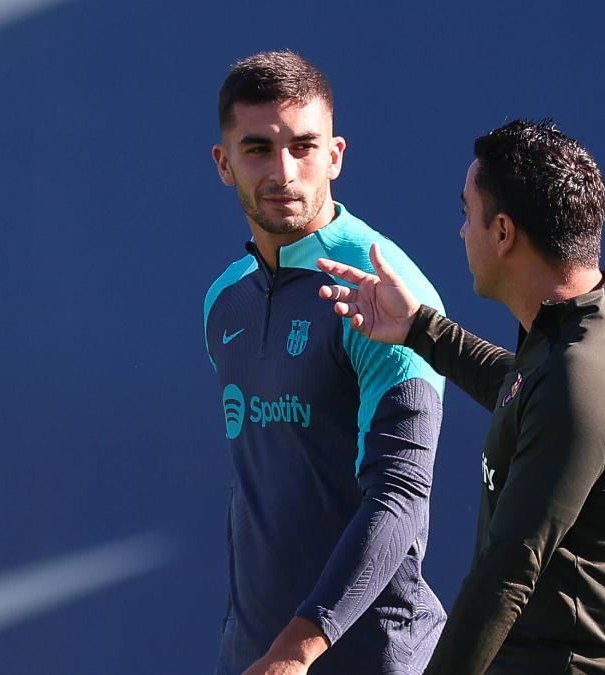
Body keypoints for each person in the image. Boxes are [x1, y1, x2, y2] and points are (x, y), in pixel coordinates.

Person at [317, 119, 605, 675]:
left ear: (503, 233)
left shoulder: (584, 375)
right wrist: (418, 329)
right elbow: (526, 395)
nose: (461, 232)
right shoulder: (580, 332)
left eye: (466, 213)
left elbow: (508, 571)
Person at [203, 51, 447, 675]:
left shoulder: (387, 293)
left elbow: (400, 497)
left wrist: (301, 645)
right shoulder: (223, 300)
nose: (284, 171)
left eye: (304, 147)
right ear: (223, 163)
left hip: (368, 658)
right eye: (258, 149)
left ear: (335, 155)